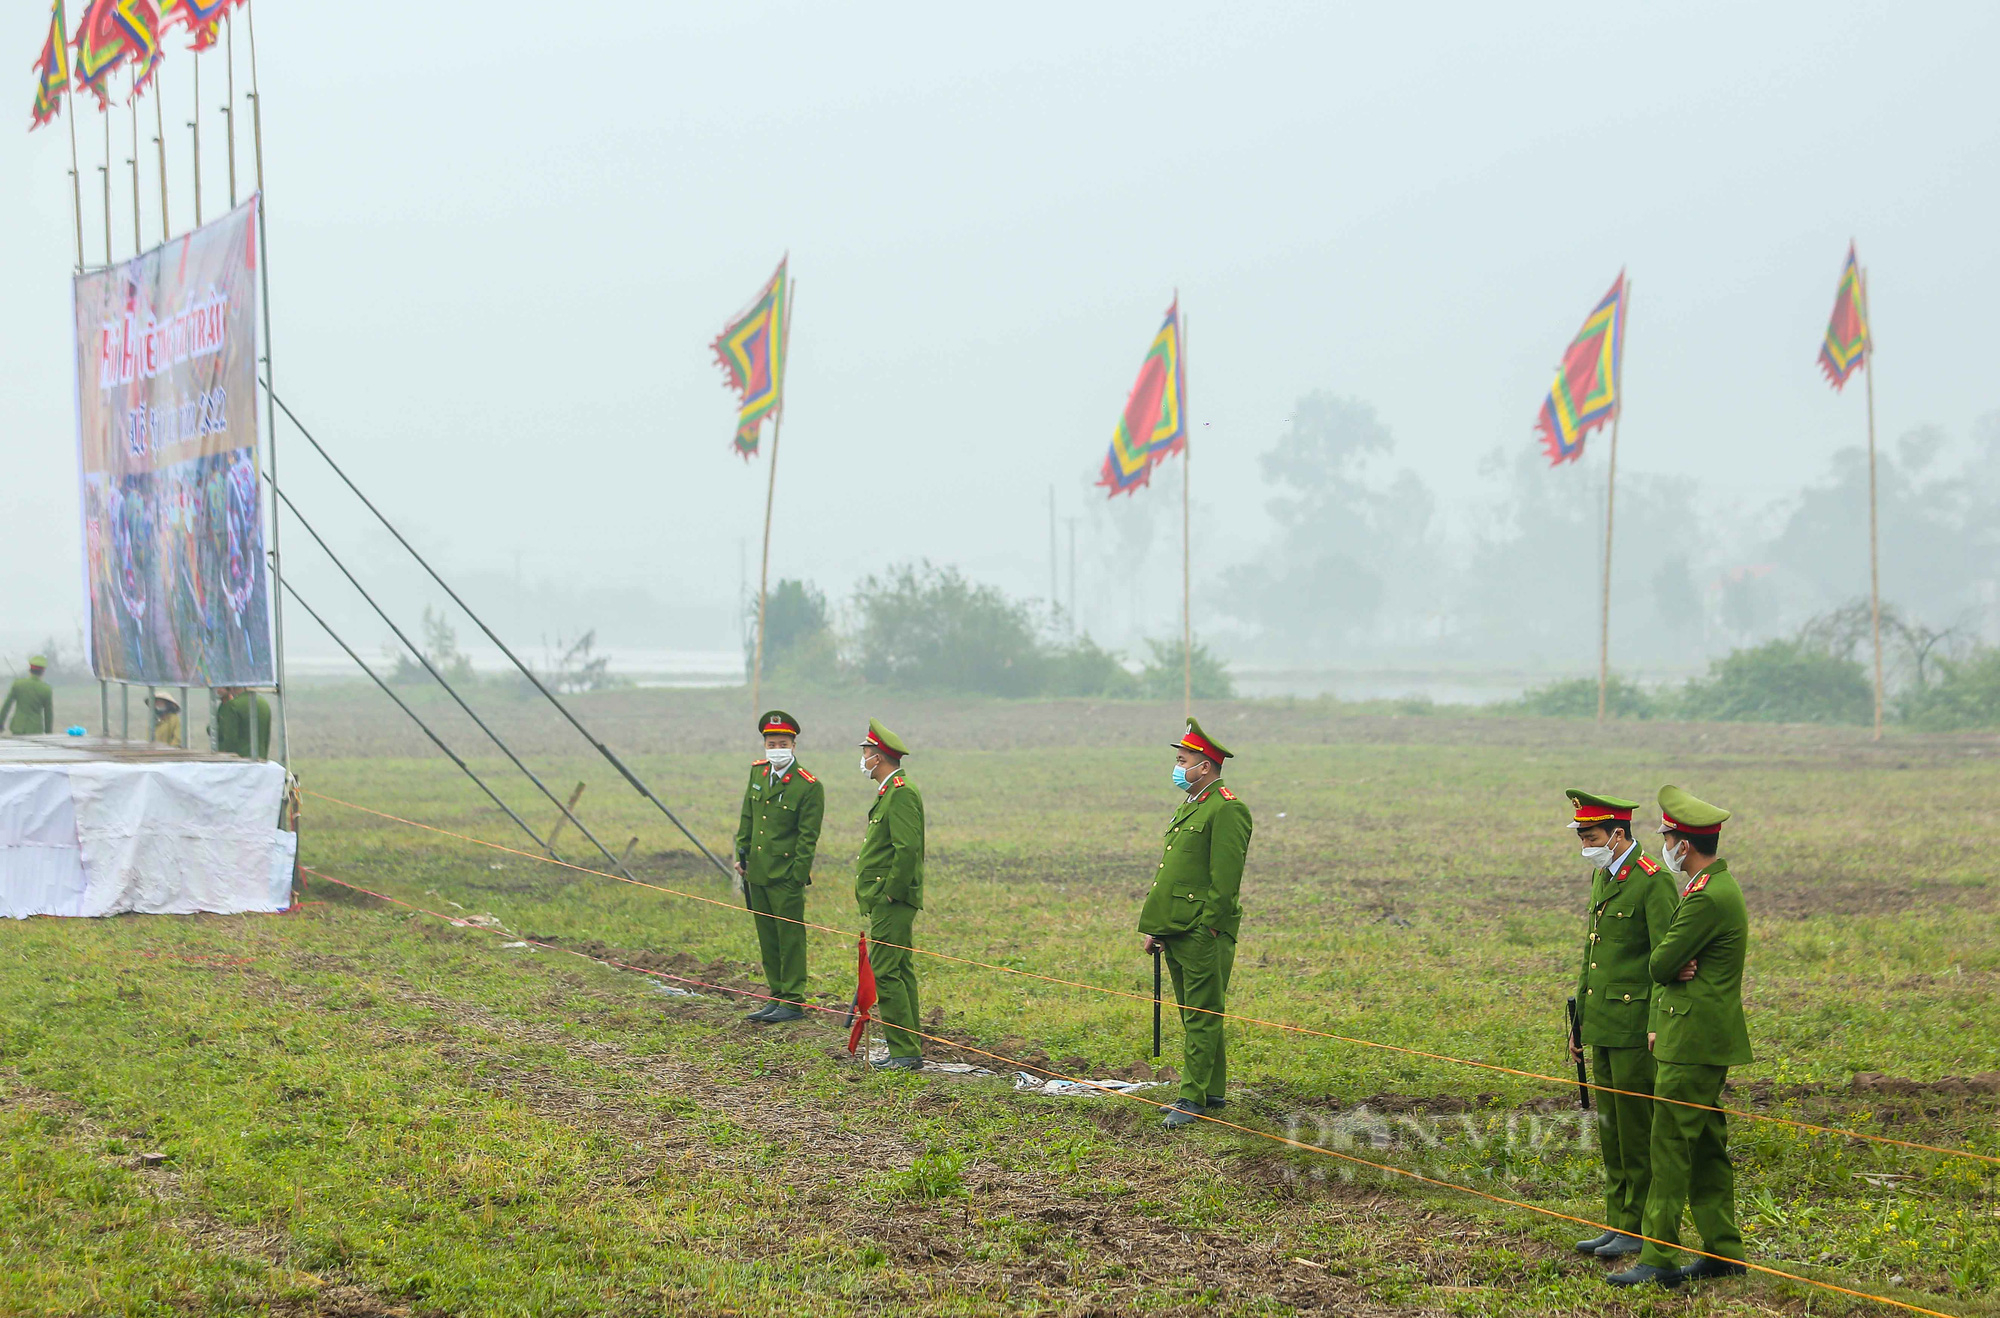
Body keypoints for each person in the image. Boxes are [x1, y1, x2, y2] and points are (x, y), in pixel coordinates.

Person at [1607, 785, 1753, 1290]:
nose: (1665, 843)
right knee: (1708, 1143)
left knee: (1669, 1144)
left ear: (1684, 845)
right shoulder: (1712, 889)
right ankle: (1723, 1250)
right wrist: (1672, 966)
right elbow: (1671, 963)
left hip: (1691, 1042)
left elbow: (1660, 962)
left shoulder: (1706, 897)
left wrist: (1669, 965)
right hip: (1702, 1036)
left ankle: (1658, 1256)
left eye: (1668, 836)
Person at [1563, 789, 1678, 1262]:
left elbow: (1666, 962)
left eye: (1590, 836)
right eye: (1582, 837)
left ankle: (1643, 1228)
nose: (1585, 845)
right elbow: (1594, 957)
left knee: (1636, 1129)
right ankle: (1619, 1224)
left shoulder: (1652, 882)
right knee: (1611, 1129)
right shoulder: (1605, 876)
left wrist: (1656, 1025)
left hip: (1635, 1029)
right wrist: (1579, 1024)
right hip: (1603, 1025)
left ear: (1616, 835)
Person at [1138, 718, 1253, 1129]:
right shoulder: (1192, 804)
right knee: (1196, 1012)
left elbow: (1226, 881)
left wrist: (1209, 928)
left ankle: (1190, 1099)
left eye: (1182, 759)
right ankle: (1212, 1089)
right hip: (1178, 926)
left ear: (1204, 766)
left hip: (1203, 931)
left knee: (1202, 1012)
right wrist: (1160, 926)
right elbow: (1174, 872)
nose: (1177, 766)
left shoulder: (1227, 808)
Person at [734, 709, 823, 1023]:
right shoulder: (757, 773)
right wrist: (741, 856)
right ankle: (777, 995)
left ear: (794, 745)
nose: (776, 749)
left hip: (785, 876)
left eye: (782, 743)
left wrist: (797, 876)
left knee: (790, 938)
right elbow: (748, 818)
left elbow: (807, 836)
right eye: (771, 744)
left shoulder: (808, 785)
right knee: (768, 936)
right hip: (756, 871)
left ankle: (794, 1000)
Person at [855, 719, 925, 1070]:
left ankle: (903, 1052)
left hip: (892, 901)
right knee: (900, 969)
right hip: (888, 898)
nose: (863, 757)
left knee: (887, 971)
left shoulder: (900, 791)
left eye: (866, 751)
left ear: (878, 756)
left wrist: (889, 894)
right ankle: (909, 1047)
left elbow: (907, 848)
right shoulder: (890, 790)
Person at [1, 656, 55, 736]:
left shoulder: (18, 684)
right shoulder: (46, 689)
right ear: (43, 671)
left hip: (18, 727)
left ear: (30, 669)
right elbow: (48, 714)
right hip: (36, 730)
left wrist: (0, 723)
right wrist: (48, 733)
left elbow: (6, 706)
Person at [215, 687, 273, 759]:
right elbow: (266, 735)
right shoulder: (264, 703)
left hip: (240, 759)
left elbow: (230, 739)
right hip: (261, 757)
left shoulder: (232, 705)